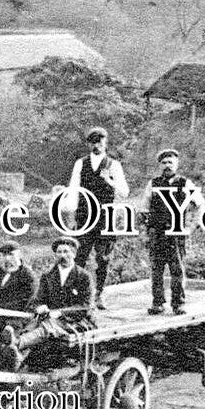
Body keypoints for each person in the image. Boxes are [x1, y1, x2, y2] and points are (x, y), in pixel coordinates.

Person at [5, 237, 96, 371]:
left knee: (48, 327)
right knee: (32, 325)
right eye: (59, 252)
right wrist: (39, 307)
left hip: (74, 320)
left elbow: (85, 306)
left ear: (74, 254)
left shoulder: (84, 277)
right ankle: (17, 354)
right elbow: (36, 300)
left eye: (66, 252)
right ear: (55, 255)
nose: (62, 255)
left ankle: (17, 344)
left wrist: (60, 312)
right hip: (49, 318)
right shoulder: (48, 276)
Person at [67, 127, 129, 309]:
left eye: (100, 142)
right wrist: (71, 216)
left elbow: (125, 192)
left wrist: (109, 180)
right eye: (94, 142)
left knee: (103, 258)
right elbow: (73, 190)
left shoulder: (113, 165)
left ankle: (99, 294)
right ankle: (79, 295)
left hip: (105, 217)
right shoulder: (80, 163)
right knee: (79, 256)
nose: (97, 145)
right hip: (84, 216)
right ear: (89, 144)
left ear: (106, 143)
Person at [138, 149, 205, 314]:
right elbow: (144, 209)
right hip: (157, 233)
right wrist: (145, 230)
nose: (167, 165)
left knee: (177, 269)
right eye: (164, 163)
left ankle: (178, 303)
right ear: (159, 165)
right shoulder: (153, 184)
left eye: (170, 162)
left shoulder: (185, 183)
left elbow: (200, 205)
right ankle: (157, 303)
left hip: (176, 234)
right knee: (157, 269)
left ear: (176, 164)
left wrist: (191, 226)